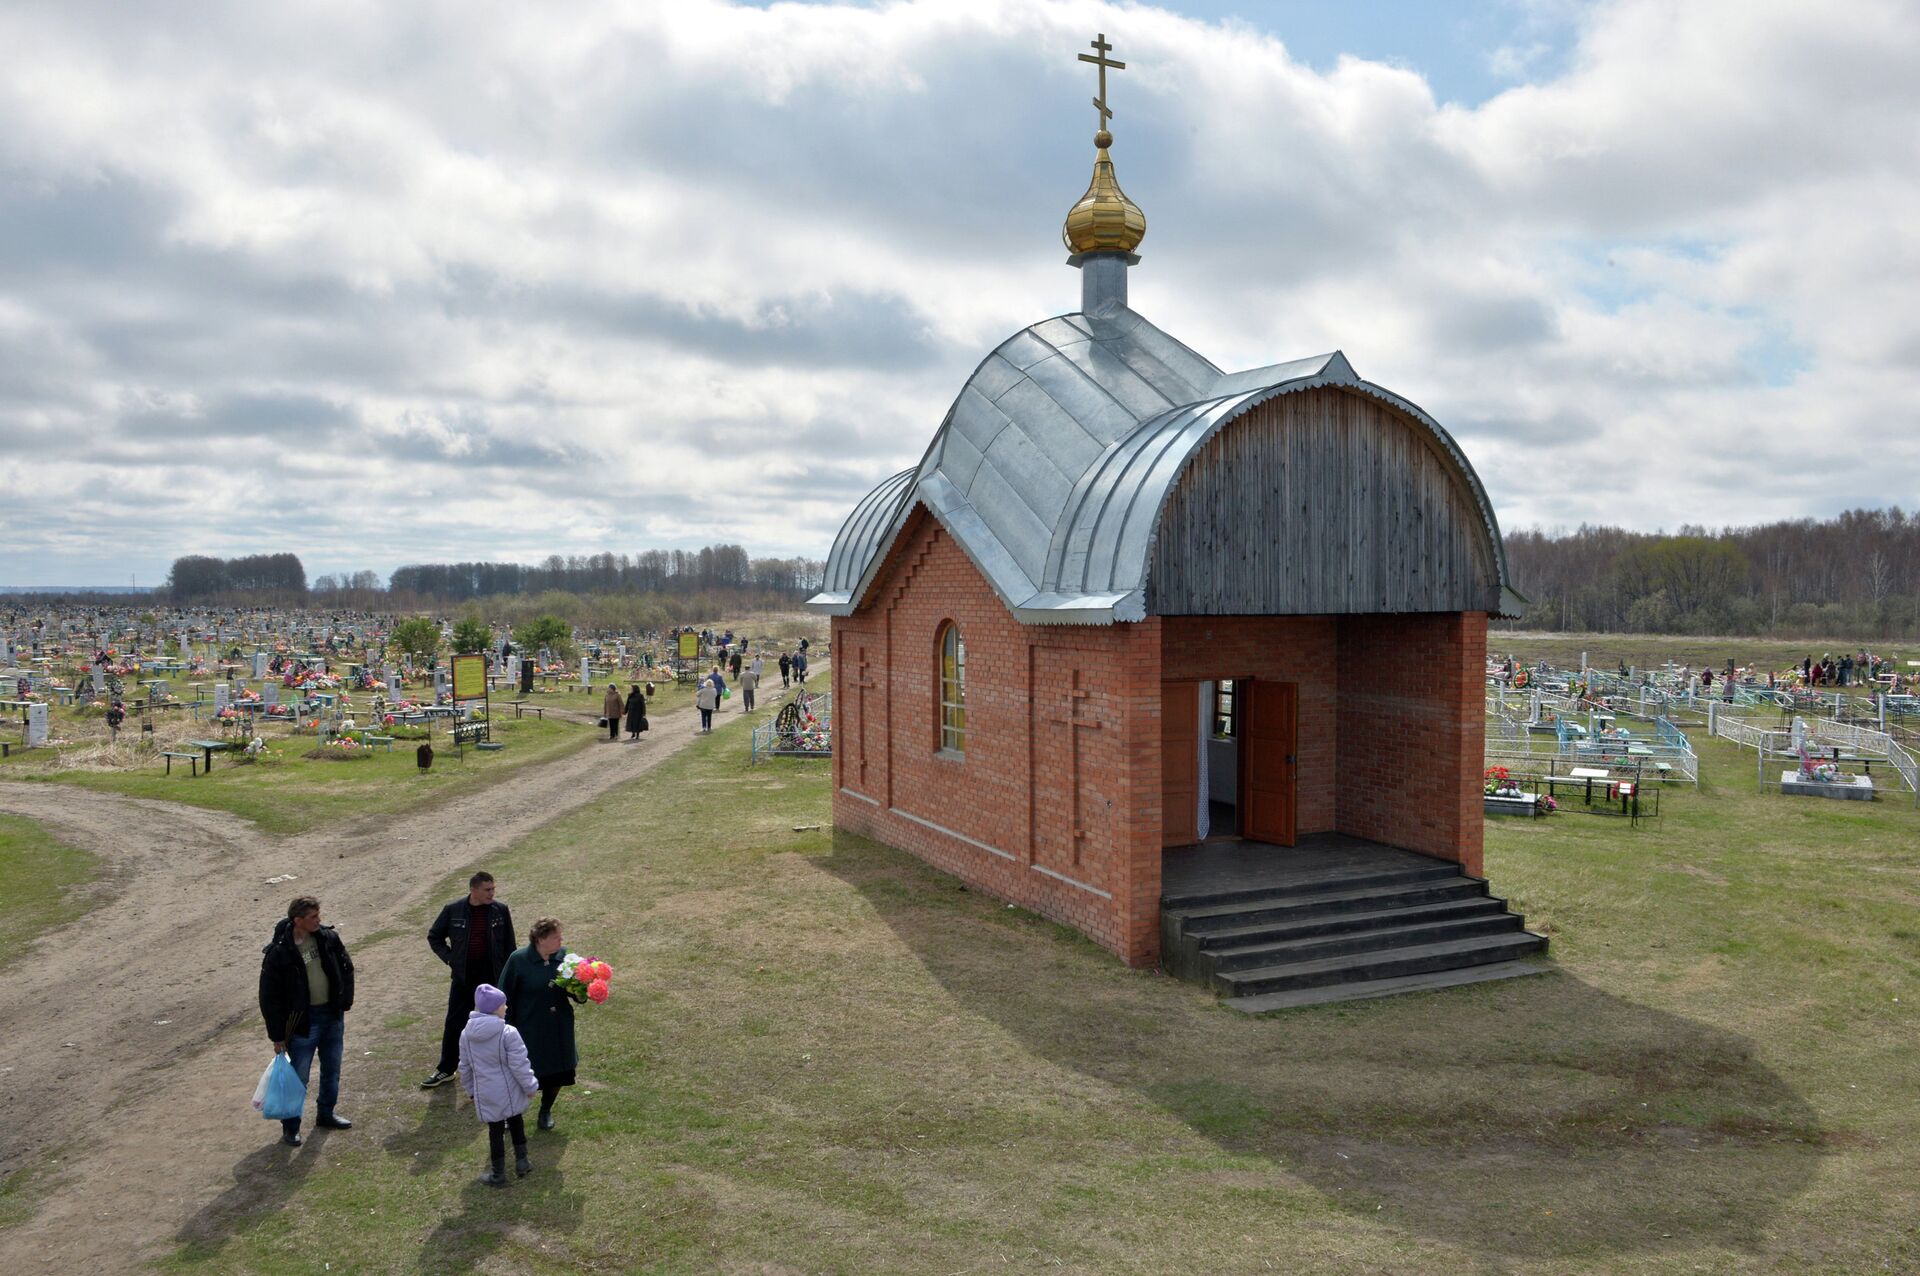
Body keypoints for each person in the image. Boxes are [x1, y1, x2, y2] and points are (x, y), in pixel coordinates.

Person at [258, 895, 356, 1147]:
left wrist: (345, 1000)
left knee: (331, 1070)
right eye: (313, 917)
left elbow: (346, 967)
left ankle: (326, 1114)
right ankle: (291, 1127)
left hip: (331, 1016)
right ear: (297, 920)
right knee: (298, 1077)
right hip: (303, 1023)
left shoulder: (327, 938)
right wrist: (277, 1036)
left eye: (318, 915)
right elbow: (269, 998)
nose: (319, 920)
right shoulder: (279, 952)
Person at [421, 872, 516, 1090]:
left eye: (493, 889)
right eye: (487, 890)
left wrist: (509, 974)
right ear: (474, 890)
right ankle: (446, 1068)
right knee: (454, 1023)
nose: (492, 893)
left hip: (492, 977)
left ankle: (501, 1066)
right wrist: (450, 958)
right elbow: (434, 936)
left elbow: (510, 946)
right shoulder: (453, 910)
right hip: (464, 977)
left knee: (499, 1022)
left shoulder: (500, 911)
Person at [498, 918, 579, 1132]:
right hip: (529, 1029)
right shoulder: (518, 960)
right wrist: (504, 1027)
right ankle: (512, 1113)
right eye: (556, 937)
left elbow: (575, 991)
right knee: (521, 1073)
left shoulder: (564, 958)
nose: (561, 940)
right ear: (541, 939)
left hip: (558, 1028)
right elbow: (503, 995)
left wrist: (582, 990)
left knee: (558, 1071)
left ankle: (545, 1110)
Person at [458, 983, 538, 1186]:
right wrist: (530, 1086)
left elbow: (464, 1066)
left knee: (495, 1131)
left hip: (486, 1092)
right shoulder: (508, 1032)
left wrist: (470, 1090)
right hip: (509, 1090)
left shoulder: (466, 1035)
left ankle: (498, 1173)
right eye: (504, 1005)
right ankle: (522, 1162)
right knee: (516, 1121)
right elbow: (520, 1064)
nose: (507, 1007)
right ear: (494, 1009)